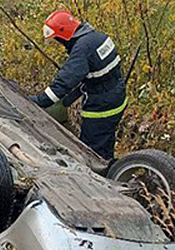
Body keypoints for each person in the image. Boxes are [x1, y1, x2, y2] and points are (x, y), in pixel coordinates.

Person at [29, 10, 127, 161]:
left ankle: (98, 180)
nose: (59, 43)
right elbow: (97, 74)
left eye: (57, 39)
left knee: (92, 151)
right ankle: (111, 167)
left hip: (101, 107)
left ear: (64, 34)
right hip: (117, 96)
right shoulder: (98, 37)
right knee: (106, 140)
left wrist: (39, 101)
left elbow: (63, 82)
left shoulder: (82, 49)